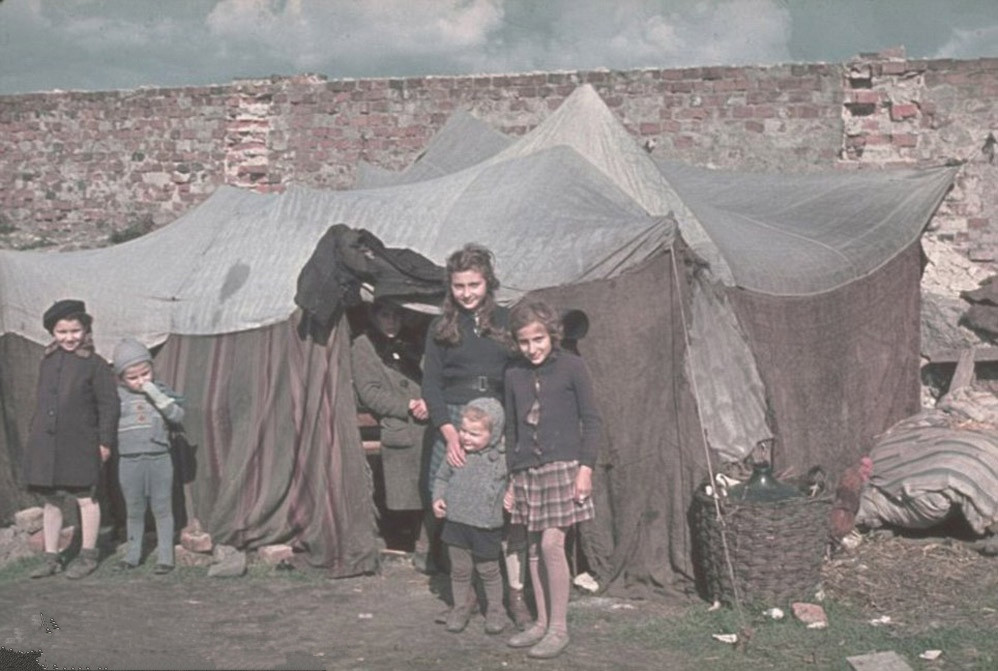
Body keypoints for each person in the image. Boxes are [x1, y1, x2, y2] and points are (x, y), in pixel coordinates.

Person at [421, 243, 530, 629]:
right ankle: (462, 598)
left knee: (501, 502)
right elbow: (431, 384)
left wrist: (506, 431)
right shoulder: (441, 327)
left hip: (496, 418)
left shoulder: (505, 321)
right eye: (459, 286)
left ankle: (508, 597)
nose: (466, 293)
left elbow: (519, 375)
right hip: (451, 417)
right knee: (447, 500)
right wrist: (449, 433)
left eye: (474, 284)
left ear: (488, 282)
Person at [503, 299, 603, 659]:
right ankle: (541, 623)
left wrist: (585, 469)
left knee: (550, 546)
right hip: (527, 470)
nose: (532, 348)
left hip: (564, 468)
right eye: (525, 342)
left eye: (538, 340)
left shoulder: (572, 367)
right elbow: (513, 428)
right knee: (531, 549)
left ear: (552, 335)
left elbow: (591, 420)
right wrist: (513, 477)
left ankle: (559, 628)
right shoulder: (513, 374)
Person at [23, 299, 120, 579]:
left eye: (75, 331)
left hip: (81, 443)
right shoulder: (48, 361)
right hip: (47, 444)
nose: (69, 338)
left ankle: (88, 555)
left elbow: (108, 406)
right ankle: (51, 557)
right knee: (51, 500)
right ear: (53, 333)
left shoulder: (96, 364)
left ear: (86, 330)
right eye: (62, 332)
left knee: (85, 498)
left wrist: (104, 442)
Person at [350, 297, 429, 551]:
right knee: (407, 489)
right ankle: (413, 542)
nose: (392, 322)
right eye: (385, 315)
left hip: (425, 422)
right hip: (401, 424)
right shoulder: (364, 346)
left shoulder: (411, 342)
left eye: (397, 315)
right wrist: (407, 406)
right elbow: (370, 392)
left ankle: (427, 544)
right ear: (374, 316)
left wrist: (427, 401)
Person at [432, 397, 509, 634]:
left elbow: (515, 480)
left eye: (474, 434)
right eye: (463, 430)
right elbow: (442, 477)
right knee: (460, 569)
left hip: (485, 525)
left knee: (488, 570)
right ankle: (461, 607)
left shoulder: (502, 458)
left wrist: (511, 494)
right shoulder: (456, 453)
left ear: (493, 434)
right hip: (456, 522)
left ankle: (496, 610)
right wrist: (438, 498)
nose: (466, 437)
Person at [112, 337, 185, 574]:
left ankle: (166, 557)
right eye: (133, 378)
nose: (141, 381)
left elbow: (177, 416)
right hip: (129, 460)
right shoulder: (117, 398)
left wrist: (159, 397)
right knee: (134, 508)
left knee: (162, 507)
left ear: (152, 369)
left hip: (159, 457)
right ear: (121, 378)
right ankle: (133, 555)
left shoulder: (161, 392)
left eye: (145, 374)